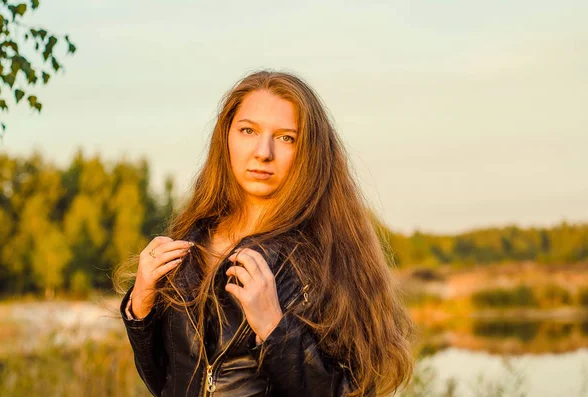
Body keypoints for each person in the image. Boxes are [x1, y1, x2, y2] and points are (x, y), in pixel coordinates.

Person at [114, 70, 414, 397]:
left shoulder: (321, 259)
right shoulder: (191, 241)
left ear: (309, 151)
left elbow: (358, 391)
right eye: (248, 131)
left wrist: (275, 330)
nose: (263, 152)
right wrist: (141, 305)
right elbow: (164, 383)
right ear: (226, 135)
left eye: (286, 137)